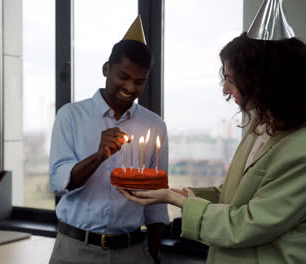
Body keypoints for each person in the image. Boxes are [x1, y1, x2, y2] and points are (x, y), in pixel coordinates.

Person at [119, 31, 306, 263]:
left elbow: (247, 224)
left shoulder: (300, 150)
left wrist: (178, 201)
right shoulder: (261, 125)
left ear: (262, 79)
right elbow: (235, 195)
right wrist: (187, 194)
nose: (225, 90)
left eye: (231, 79)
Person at [49, 16, 169, 264]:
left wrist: (154, 253)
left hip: (132, 251)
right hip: (75, 250)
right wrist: (98, 156)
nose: (130, 87)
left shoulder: (154, 125)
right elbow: (59, 183)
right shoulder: (71, 116)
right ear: (106, 69)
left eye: (139, 81)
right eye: (123, 76)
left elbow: (156, 199)